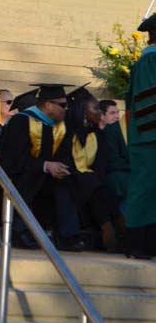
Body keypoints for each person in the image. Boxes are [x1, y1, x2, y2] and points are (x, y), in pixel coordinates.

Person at [0, 83, 82, 251]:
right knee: (30, 180)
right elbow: (11, 159)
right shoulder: (20, 122)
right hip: (18, 175)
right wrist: (44, 165)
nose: (66, 109)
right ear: (48, 104)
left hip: (47, 177)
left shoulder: (62, 127)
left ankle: (67, 236)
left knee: (69, 182)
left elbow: (68, 156)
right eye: (62, 105)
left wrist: (62, 168)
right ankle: (21, 232)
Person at [65, 85, 123, 251]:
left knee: (100, 189)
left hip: (92, 182)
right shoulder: (66, 132)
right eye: (95, 108)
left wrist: (93, 179)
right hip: (72, 180)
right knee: (98, 189)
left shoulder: (97, 133)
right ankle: (117, 228)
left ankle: (110, 230)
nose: (99, 112)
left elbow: (101, 164)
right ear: (83, 111)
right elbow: (66, 162)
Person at [124, 13, 156, 258]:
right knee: (144, 189)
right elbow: (148, 102)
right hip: (149, 137)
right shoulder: (149, 61)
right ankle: (135, 244)